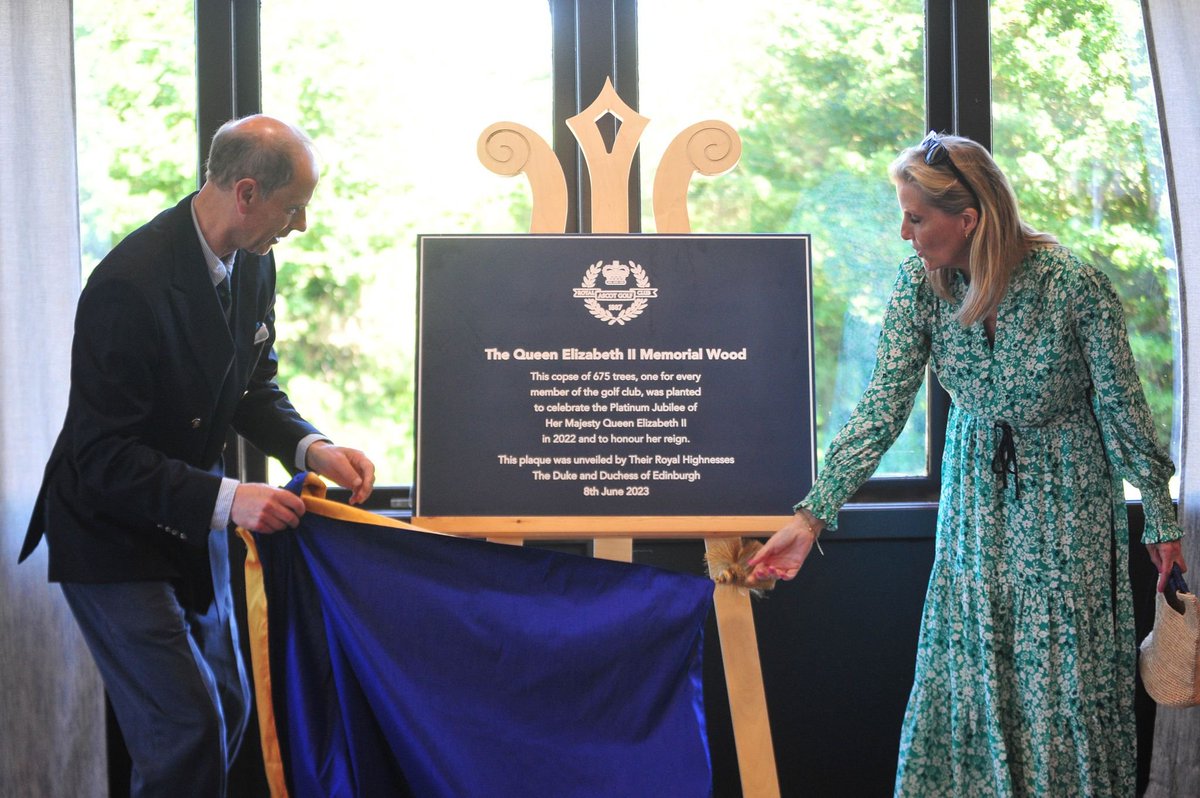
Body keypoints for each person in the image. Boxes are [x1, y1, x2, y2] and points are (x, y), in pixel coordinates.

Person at [749, 131, 1186, 796]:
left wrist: (1160, 518)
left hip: (1066, 503)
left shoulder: (1075, 287)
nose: (905, 232)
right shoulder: (922, 286)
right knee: (972, 670)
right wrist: (811, 517)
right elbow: (882, 407)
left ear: (970, 218)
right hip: (974, 501)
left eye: (917, 218)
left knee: (1058, 679)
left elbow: (1125, 413)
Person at [19, 115, 376, 797]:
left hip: (191, 525)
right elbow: (101, 455)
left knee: (228, 710)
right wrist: (232, 499)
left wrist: (314, 447)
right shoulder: (129, 283)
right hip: (109, 533)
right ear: (247, 194)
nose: (300, 225)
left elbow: (251, 386)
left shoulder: (255, 262)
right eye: (293, 207)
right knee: (187, 730)